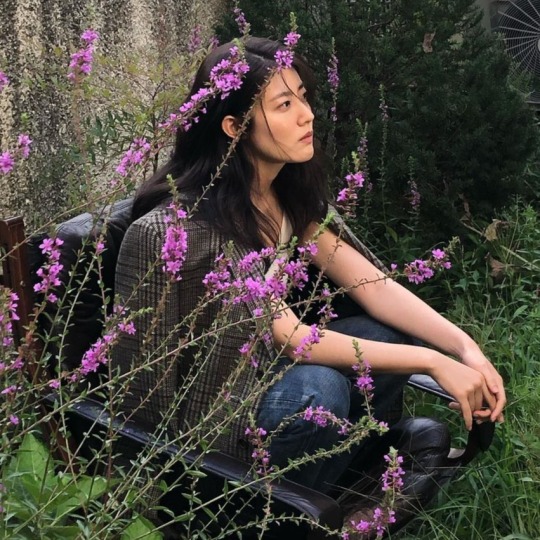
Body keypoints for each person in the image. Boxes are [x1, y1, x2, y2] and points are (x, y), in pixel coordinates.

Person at [111, 37, 505, 496]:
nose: (307, 114)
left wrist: (465, 347)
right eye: (284, 104)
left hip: (266, 375)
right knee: (319, 390)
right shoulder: (190, 225)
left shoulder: (283, 195)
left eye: (303, 97)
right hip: (216, 419)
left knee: (390, 334)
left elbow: (373, 287)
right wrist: (433, 362)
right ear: (235, 127)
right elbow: (291, 337)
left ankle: (340, 474)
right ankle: (270, 514)